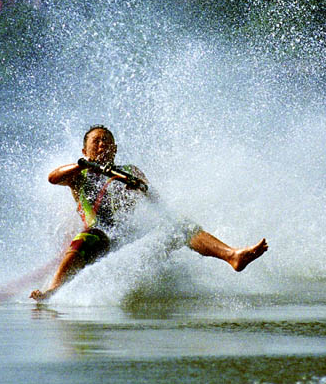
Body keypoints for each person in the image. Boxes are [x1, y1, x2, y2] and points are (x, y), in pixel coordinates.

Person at [30, 125, 268, 301]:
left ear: (115, 149)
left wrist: (140, 188)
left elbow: (157, 203)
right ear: (85, 149)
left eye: (107, 141)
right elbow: (53, 178)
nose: (102, 145)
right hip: (99, 237)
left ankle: (231, 255)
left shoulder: (130, 170)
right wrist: (84, 164)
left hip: (129, 236)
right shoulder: (78, 174)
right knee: (88, 236)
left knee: (180, 225)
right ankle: (54, 290)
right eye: (97, 141)